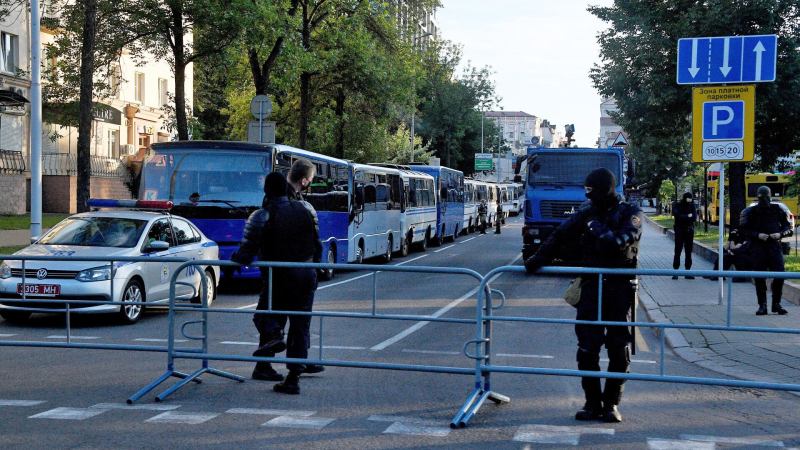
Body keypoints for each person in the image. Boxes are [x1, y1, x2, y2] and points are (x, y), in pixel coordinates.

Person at [524, 168, 643, 423]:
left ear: (605, 189)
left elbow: (618, 243)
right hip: (591, 286)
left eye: (592, 191)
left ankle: (611, 403)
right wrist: (538, 259)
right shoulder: (586, 212)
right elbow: (560, 235)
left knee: (619, 349)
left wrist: (595, 227)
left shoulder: (630, 213)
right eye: (586, 191)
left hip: (620, 288)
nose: (588, 197)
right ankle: (592, 402)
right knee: (587, 348)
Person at [230, 172, 324, 393]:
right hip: (306, 274)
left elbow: (247, 252)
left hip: (278, 276)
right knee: (300, 326)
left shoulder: (262, 215)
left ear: (266, 191)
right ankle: (293, 378)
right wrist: (315, 270)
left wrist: (232, 261)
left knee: (265, 315)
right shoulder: (306, 209)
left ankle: (273, 339)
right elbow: (317, 244)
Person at [740, 186, 791, 315]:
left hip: (774, 246)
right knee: (759, 277)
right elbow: (744, 229)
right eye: (762, 196)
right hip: (758, 247)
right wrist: (757, 235)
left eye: (766, 196)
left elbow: (788, 227)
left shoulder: (777, 209)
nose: (764, 199)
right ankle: (762, 305)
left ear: (770, 196)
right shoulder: (751, 211)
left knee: (780, 274)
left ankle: (776, 303)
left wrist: (779, 234)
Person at [672, 192, 698, 279]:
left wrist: (684, 217)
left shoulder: (692, 206)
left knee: (688, 251)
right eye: (688, 198)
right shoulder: (678, 205)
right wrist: (687, 216)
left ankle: (688, 271)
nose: (689, 200)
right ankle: (675, 271)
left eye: (691, 198)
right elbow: (677, 216)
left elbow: (694, 217)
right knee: (678, 250)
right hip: (679, 230)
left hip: (689, 230)